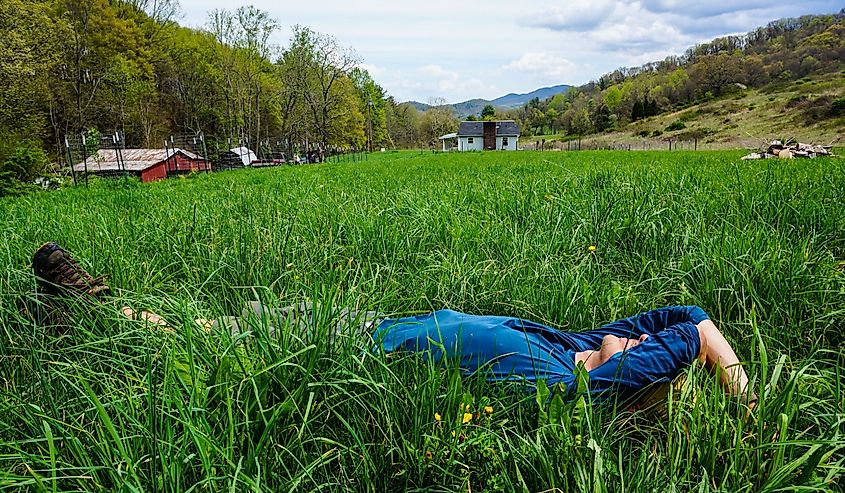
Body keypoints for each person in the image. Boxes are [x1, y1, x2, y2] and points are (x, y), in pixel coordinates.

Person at [29, 242, 754, 406]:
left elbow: (685, 339)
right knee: (226, 321)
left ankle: (98, 309)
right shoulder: (573, 345)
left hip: (348, 353)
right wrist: (742, 390)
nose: (633, 337)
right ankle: (104, 309)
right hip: (370, 322)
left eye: (637, 351)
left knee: (219, 338)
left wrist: (742, 399)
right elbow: (689, 317)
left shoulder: (570, 389)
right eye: (633, 340)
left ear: (630, 375)